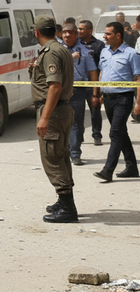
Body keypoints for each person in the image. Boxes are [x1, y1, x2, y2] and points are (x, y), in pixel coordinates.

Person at [29, 15, 76, 223]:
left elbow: (55, 86)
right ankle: (64, 200)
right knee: (62, 156)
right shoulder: (62, 49)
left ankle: (67, 207)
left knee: (53, 159)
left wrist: (44, 117)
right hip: (62, 109)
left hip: (54, 111)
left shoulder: (50, 52)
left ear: (37, 32)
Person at [92, 22, 140, 182]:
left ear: (118, 35)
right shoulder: (105, 52)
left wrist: (138, 103)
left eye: (108, 34)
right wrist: (99, 92)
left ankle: (108, 170)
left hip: (123, 98)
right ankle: (132, 166)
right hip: (108, 98)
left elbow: (138, 79)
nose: (104, 36)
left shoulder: (131, 54)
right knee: (121, 132)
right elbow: (101, 73)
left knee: (115, 133)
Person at [61, 23, 98, 166]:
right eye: (64, 33)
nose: (67, 35)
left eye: (70, 33)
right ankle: (66, 150)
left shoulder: (85, 51)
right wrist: (70, 57)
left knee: (77, 123)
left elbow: (93, 72)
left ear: (77, 35)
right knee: (62, 123)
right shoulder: (58, 50)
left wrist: (95, 93)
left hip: (78, 91)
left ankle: (75, 153)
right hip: (61, 90)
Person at [78, 19, 106, 145]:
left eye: (82, 29)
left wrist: (99, 87)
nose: (79, 31)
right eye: (78, 29)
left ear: (90, 30)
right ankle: (79, 136)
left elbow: (101, 67)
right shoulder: (76, 44)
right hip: (78, 83)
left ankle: (97, 135)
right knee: (78, 113)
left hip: (93, 84)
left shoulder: (99, 45)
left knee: (95, 111)